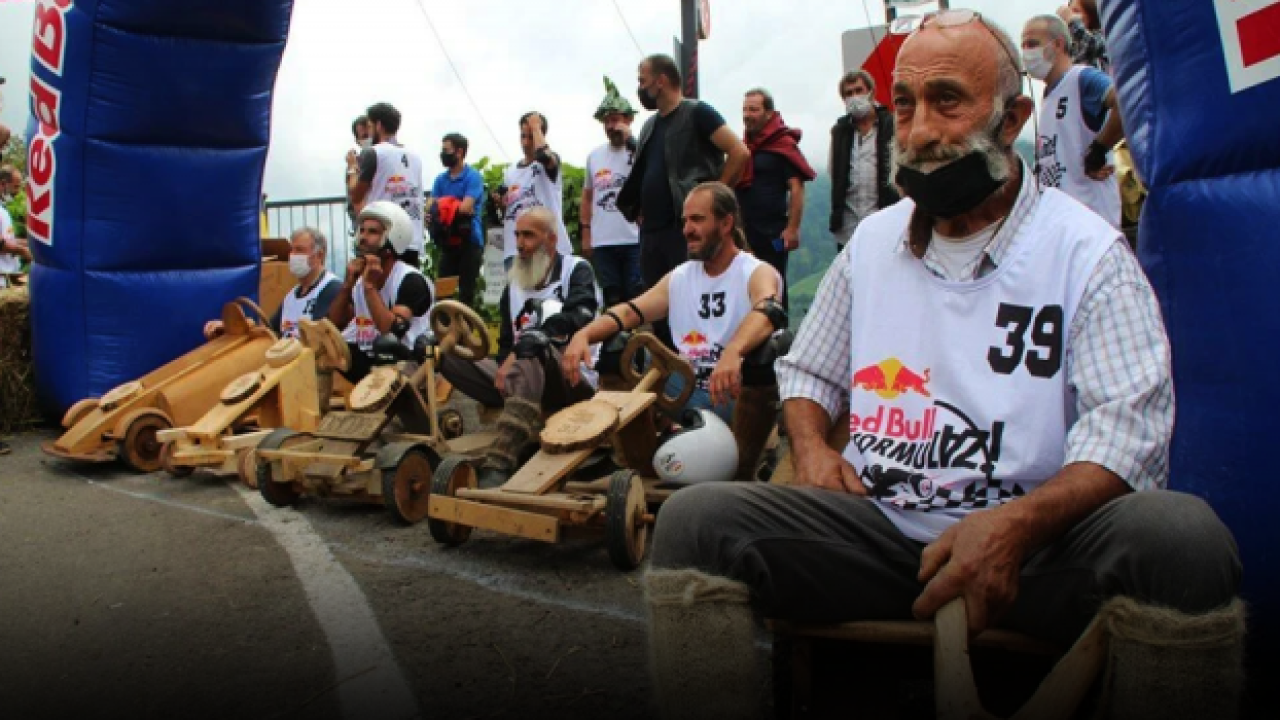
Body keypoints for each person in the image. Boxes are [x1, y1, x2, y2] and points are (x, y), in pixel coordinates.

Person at [640, 13, 1242, 720]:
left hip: (1037, 551)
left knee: (1183, 542)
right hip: (881, 531)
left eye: (947, 100)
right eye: (904, 104)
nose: (919, 130)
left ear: (1012, 118)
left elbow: (1126, 436)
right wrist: (812, 449)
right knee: (694, 526)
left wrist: (1015, 527)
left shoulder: (1087, 254)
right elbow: (809, 376)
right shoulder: (871, 245)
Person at [564, 182, 783, 427]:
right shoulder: (680, 277)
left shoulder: (756, 271)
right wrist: (583, 335)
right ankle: (642, 438)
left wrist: (734, 351)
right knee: (619, 347)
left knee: (766, 352)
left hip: (734, 395)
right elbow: (628, 312)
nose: (687, 230)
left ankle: (751, 439)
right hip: (687, 391)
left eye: (697, 220)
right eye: (685, 221)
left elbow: (769, 311)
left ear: (726, 224)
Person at [440, 207, 600, 488]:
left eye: (528, 236)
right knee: (446, 354)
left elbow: (580, 316)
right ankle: (421, 441)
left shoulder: (575, 271)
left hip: (571, 380)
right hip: (521, 378)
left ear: (551, 240)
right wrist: (506, 359)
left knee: (533, 347)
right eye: (517, 235)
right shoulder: (513, 285)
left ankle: (500, 460)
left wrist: (521, 349)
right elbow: (505, 344)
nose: (520, 244)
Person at [618, 54, 749, 348]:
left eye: (642, 81)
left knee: (691, 304)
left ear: (660, 81)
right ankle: (668, 369)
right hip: (652, 234)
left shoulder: (697, 113)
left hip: (685, 231)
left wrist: (713, 201)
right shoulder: (649, 126)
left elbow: (739, 152)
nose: (640, 88)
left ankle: (699, 365)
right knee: (658, 310)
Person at [1023, 14, 1123, 228]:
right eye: (1023, 46)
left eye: (1032, 44)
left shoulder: (1083, 79)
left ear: (1058, 44)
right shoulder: (1048, 96)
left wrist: (1099, 150)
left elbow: (1126, 103)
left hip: (1092, 225)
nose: (1026, 52)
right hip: (1063, 226)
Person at [329, 201, 434, 384]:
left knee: (386, 345)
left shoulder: (410, 280)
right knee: (326, 346)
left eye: (373, 232)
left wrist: (370, 288)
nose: (363, 237)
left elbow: (391, 331)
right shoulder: (359, 282)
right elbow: (334, 324)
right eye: (362, 231)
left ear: (394, 238)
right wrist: (347, 285)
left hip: (408, 363)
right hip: (370, 359)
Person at [735, 88, 815, 306]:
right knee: (744, 286)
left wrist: (792, 229)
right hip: (744, 232)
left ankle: (777, 326)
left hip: (773, 233)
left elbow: (796, 188)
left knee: (774, 284)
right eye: (745, 109)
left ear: (769, 113)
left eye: (754, 109)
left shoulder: (783, 144)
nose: (747, 115)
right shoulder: (742, 147)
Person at [203, 228, 340, 340]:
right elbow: (268, 331)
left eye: (299, 250)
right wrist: (231, 327)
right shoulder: (291, 297)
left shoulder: (332, 289)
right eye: (291, 250)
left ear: (319, 255)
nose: (292, 255)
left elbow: (320, 336)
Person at [582, 77, 643, 307]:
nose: (611, 126)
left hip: (634, 238)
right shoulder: (594, 156)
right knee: (612, 297)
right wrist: (586, 233)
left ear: (628, 120)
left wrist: (631, 141)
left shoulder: (640, 149)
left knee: (636, 296)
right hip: (603, 241)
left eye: (615, 120)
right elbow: (587, 197)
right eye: (606, 121)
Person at [346, 103, 426, 266]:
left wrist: (352, 168)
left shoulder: (373, 153)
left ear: (379, 125)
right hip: (412, 239)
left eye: (370, 126)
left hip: (384, 240)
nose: (369, 133)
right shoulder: (415, 157)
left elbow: (356, 195)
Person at [493, 112, 573, 269]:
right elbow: (509, 211)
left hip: (547, 249)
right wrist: (501, 204)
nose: (526, 142)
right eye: (523, 136)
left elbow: (543, 155)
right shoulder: (510, 172)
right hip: (515, 251)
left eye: (531, 137)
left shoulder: (549, 162)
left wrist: (536, 127)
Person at [830, 70, 899, 248]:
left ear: (871, 92)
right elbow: (834, 173)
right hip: (848, 228)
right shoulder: (839, 131)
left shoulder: (891, 125)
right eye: (848, 93)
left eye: (859, 90)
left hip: (885, 223)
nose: (854, 96)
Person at [428, 132, 485, 307]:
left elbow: (467, 207)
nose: (443, 154)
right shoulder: (440, 180)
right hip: (448, 242)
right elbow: (430, 207)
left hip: (470, 241)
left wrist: (443, 208)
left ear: (459, 152)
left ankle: (464, 325)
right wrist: (451, 207)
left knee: (466, 293)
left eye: (447, 150)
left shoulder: (473, 176)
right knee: (443, 294)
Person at [1058, 0, 1109, 72]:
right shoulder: (1070, 48)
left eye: (1076, 11)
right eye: (1069, 11)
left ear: (1090, 15)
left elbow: (1091, 45)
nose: (1070, 15)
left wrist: (1072, 21)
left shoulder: (1102, 36)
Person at [346, 115, 372, 226]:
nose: (370, 139)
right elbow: (353, 201)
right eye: (365, 136)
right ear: (358, 141)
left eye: (372, 134)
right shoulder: (354, 166)